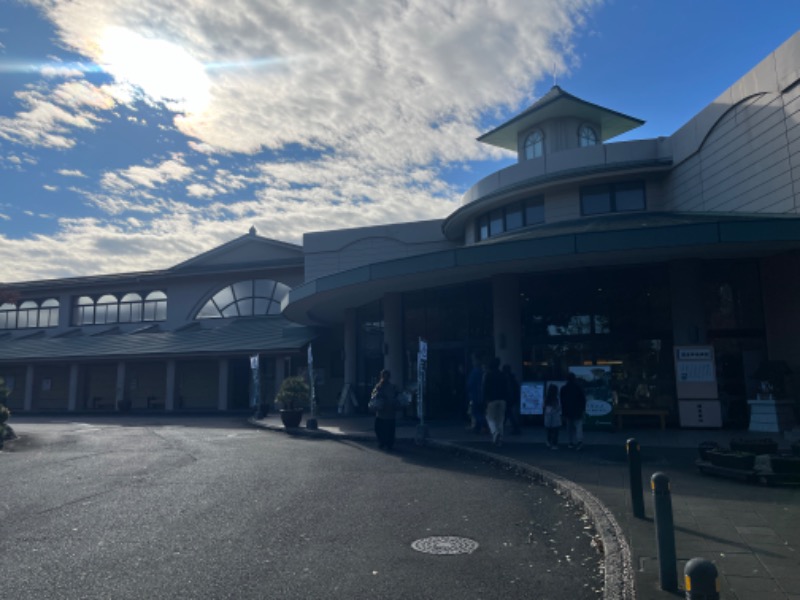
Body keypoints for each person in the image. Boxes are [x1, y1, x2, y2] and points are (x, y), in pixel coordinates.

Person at [369, 369, 400, 451]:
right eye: (384, 376)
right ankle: (384, 442)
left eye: (386, 376)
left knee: (386, 429)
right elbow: (373, 396)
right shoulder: (379, 386)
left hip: (387, 412)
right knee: (381, 429)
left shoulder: (391, 387)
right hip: (382, 412)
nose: (385, 377)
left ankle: (386, 443)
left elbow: (395, 397)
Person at [482, 357, 508, 446]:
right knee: (500, 419)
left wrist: (485, 399)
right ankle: (499, 439)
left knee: (490, 418)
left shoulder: (488, 375)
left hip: (491, 399)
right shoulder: (502, 374)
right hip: (502, 399)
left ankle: (495, 433)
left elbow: (485, 388)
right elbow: (506, 387)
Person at [560, 372, 587, 450]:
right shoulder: (578, 388)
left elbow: (562, 401)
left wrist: (563, 412)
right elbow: (583, 400)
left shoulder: (563, 388)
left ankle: (570, 442)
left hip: (567, 411)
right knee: (578, 426)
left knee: (569, 428)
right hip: (577, 410)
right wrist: (583, 409)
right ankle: (579, 441)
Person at [466, 354, 487, 434]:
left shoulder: (475, 371)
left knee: (475, 412)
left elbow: (470, 384)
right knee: (480, 411)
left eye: (473, 360)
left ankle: (484, 425)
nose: (472, 362)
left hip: (475, 396)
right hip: (481, 396)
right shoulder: (482, 371)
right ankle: (478, 427)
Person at [502, 364, 522, 435]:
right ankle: (515, 428)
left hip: (508, 398)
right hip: (511, 399)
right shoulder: (512, 378)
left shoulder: (506, 378)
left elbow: (508, 389)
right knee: (508, 413)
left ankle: (514, 428)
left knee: (507, 414)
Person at [543, 383, 562, 449]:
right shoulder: (557, 399)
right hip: (555, 417)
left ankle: (548, 441)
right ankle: (554, 444)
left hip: (548, 417)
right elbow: (559, 407)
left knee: (549, 431)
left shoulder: (546, 399)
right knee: (555, 431)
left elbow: (544, 407)